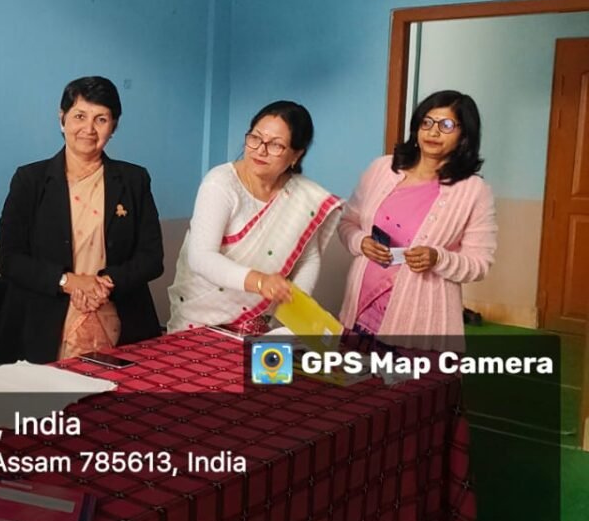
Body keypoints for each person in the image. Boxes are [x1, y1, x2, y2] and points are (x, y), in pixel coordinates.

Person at [0, 76, 163, 364]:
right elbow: (10, 259)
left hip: (121, 321)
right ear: (62, 119)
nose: (89, 129)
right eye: (80, 116)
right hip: (43, 326)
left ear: (114, 126)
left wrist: (104, 283)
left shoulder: (134, 180)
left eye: (101, 119)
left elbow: (152, 258)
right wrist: (68, 281)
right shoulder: (30, 180)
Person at [167, 100, 341, 335]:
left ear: (296, 155)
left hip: (259, 324)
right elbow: (201, 257)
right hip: (200, 320)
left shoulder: (302, 195)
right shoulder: (220, 183)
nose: (260, 150)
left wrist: (295, 305)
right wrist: (260, 281)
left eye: (276, 145)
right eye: (256, 138)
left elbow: (308, 258)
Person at [338, 90, 496, 348]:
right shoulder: (382, 169)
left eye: (446, 125)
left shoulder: (474, 191)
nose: (433, 132)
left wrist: (438, 258)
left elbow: (479, 263)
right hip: (360, 306)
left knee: (403, 375)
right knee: (351, 372)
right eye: (427, 122)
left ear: (464, 135)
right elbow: (347, 223)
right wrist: (360, 242)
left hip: (419, 321)